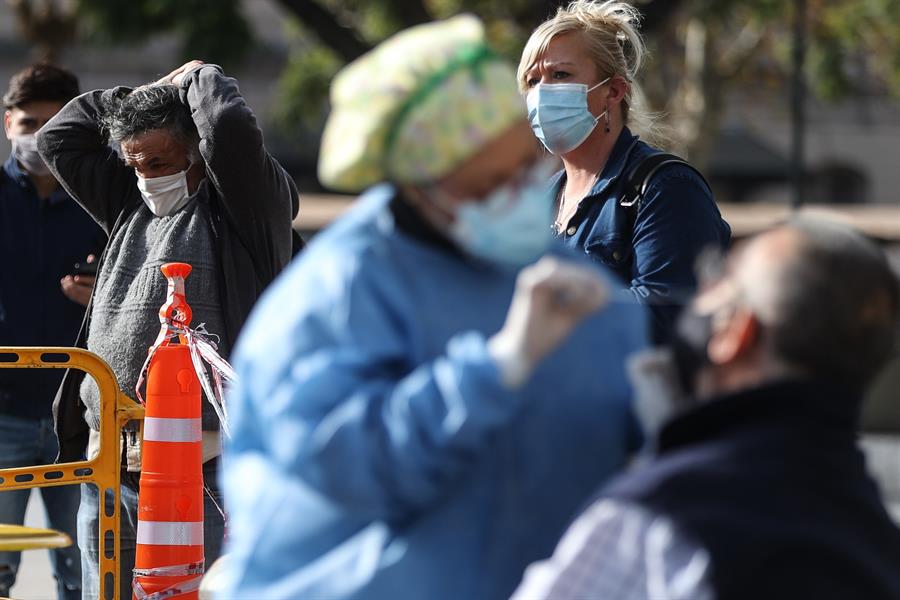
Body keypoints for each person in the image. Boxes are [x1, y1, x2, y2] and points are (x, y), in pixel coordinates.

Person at [220, 15, 647, 600]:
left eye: (525, 168)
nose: (519, 194)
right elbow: (343, 466)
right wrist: (493, 371)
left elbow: (612, 381)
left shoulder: (538, 259)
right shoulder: (338, 291)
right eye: (488, 184)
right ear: (421, 187)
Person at [512, 217, 900, 600]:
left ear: (737, 331)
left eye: (719, 281)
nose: (697, 300)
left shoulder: (655, 521)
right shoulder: (874, 533)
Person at [36, 60, 299, 598]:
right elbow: (57, 136)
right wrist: (150, 94)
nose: (148, 175)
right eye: (136, 164)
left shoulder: (246, 212)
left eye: (160, 161)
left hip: (202, 468)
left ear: (197, 154)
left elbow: (227, 127)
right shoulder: (128, 202)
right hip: (111, 457)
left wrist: (198, 78)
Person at [518, 0, 730, 342]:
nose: (542, 93)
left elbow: (669, 317)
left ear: (613, 92)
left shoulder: (666, 187)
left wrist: (551, 314)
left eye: (560, 75)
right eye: (532, 81)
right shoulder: (536, 200)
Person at [0, 63, 104, 600]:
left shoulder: (104, 200)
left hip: (81, 415)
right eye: (28, 125)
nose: (38, 139)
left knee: (83, 570)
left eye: (53, 125)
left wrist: (100, 295)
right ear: (6, 123)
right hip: (5, 411)